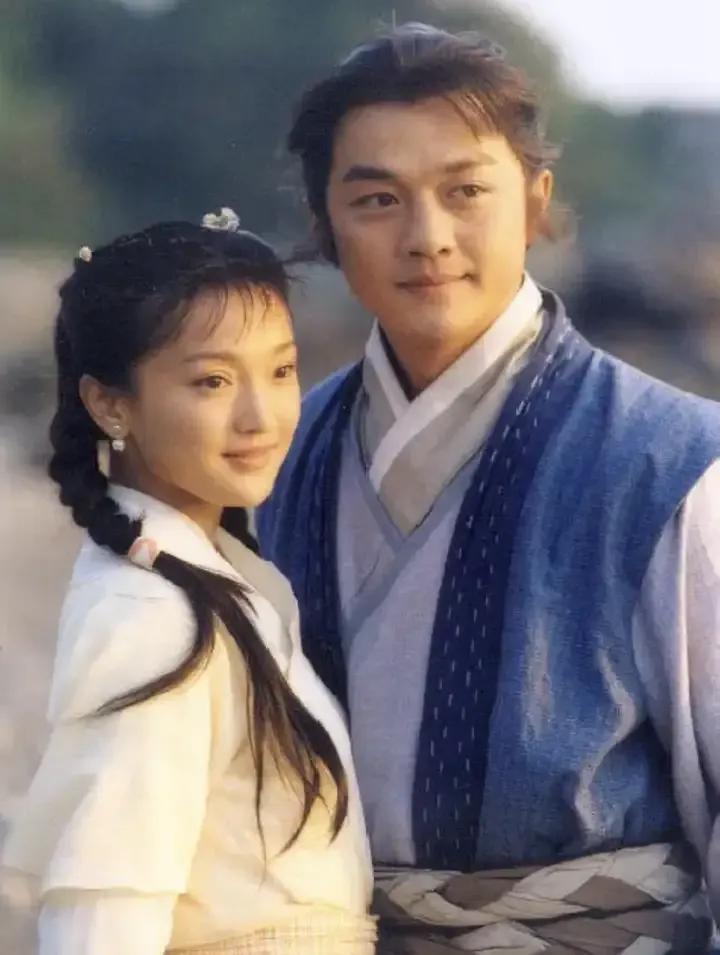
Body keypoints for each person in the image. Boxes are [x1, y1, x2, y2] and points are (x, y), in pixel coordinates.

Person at [257, 23, 720, 952]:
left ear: (536, 202)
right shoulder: (273, 454)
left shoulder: (673, 460)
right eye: (377, 199)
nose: (427, 238)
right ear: (325, 223)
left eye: (465, 191)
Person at [1, 210, 376, 954]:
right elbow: (103, 924)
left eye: (281, 370)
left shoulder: (219, 582)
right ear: (110, 403)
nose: (261, 415)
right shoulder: (149, 617)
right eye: (213, 380)